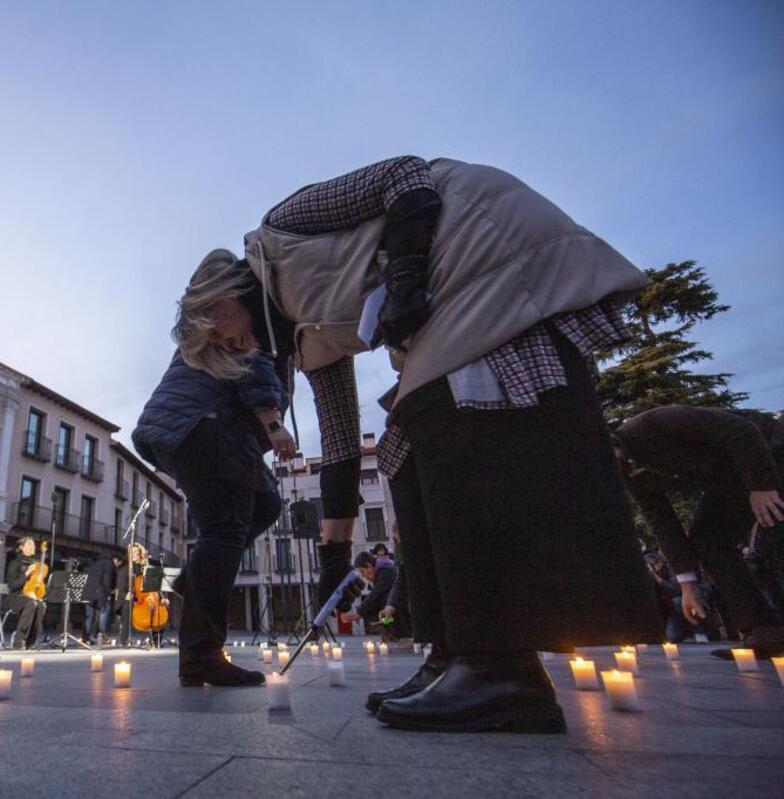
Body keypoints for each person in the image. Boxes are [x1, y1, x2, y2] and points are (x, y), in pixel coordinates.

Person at [177, 155, 662, 732]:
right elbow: (338, 440)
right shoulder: (305, 341)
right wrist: (334, 555)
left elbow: (404, 174)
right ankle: (454, 652)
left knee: (440, 420)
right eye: (222, 352)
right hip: (452, 287)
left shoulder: (282, 228)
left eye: (219, 334)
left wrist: (405, 272)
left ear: (219, 295)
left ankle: (499, 667)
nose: (233, 346)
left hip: (478, 240)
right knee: (403, 447)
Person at [132, 347, 295, 687]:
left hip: (193, 425)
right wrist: (274, 423)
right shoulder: (262, 305)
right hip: (205, 422)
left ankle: (191, 580)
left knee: (266, 504)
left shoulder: (228, 305)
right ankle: (203, 657)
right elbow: (254, 357)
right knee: (223, 529)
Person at [615, 405, 784, 658]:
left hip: (766, 453)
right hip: (726, 482)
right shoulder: (628, 474)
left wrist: (762, 486)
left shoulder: (652, 424)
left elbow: (741, 430)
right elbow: (663, 522)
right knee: (707, 539)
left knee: (772, 534)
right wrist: (688, 584)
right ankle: (762, 630)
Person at [5, 537, 47, 650]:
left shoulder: (37, 563)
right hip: (16, 597)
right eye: (29, 544)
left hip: (31, 596)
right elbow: (12, 585)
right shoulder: (15, 563)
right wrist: (26, 573)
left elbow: (38, 582)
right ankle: (18, 640)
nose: (32, 546)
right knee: (31, 604)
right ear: (21, 547)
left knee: (41, 605)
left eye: (33, 544)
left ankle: (31, 641)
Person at [341, 550, 396, 629]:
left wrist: (357, 613)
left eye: (362, 571)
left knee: (381, 601)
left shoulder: (385, 571)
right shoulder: (384, 570)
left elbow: (375, 595)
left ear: (369, 566)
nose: (363, 576)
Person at [82, 552, 121, 645]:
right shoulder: (109, 564)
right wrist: (108, 593)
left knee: (89, 616)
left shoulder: (96, 562)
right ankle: (102, 634)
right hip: (100, 591)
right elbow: (107, 580)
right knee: (105, 609)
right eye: (118, 563)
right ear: (116, 560)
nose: (117, 566)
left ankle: (86, 638)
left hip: (88, 591)